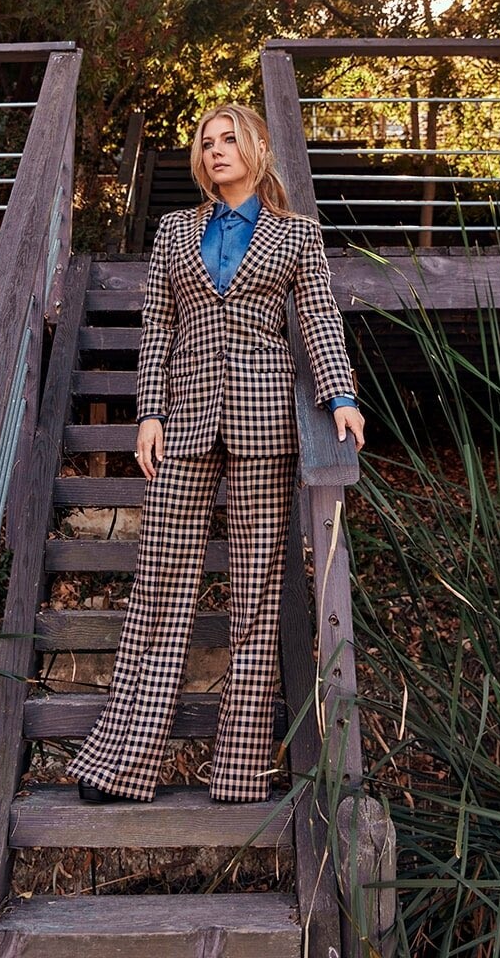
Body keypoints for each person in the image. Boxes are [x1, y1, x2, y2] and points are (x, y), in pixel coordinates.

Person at [66, 104, 365, 804]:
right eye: (207, 142)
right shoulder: (175, 230)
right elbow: (158, 327)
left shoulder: (297, 234)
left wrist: (340, 395)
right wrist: (149, 412)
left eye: (230, 139)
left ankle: (240, 772)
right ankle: (122, 764)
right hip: (186, 417)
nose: (216, 150)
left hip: (266, 419)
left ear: (257, 149)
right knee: (159, 585)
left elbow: (318, 316)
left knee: (257, 597)